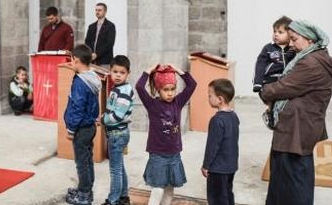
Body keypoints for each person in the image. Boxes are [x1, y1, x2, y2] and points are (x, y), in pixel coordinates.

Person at [259, 20, 332, 205]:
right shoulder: (313, 57)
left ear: (310, 40)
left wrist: (264, 91)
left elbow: (283, 87)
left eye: (295, 39)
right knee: (286, 177)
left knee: (294, 180)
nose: (291, 44)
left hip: (297, 127)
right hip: (299, 125)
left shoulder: (311, 63)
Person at [135, 63, 197, 205]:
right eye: (165, 90)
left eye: (172, 89)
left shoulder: (178, 102)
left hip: (174, 155)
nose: (170, 93)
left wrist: (177, 70)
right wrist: (148, 71)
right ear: (158, 89)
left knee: (170, 190)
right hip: (158, 155)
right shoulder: (152, 105)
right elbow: (139, 87)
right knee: (158, 189)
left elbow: (192, 85)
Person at [63, 45, 102, 205]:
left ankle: (84, 195)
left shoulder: (80, 83)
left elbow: (77, 108)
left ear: (77, 60)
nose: (70, 62)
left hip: (80, 128)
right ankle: (85, 188)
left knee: (81, 163)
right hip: (90, 126)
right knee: (87, 160)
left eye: (72, 59)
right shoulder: (91, 76)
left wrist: (71, 129)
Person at [100, 55, 135, 205]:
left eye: (122, 72)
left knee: (115, 170)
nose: (118, 75)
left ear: (128, 73)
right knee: (119, 166)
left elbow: (117, 115)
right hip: (117, 133)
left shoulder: (124, 91)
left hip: (117, 134)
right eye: (115, 72)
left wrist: (102, 119)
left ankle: (113, 200)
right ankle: (123, 197)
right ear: (110, 71)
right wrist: (105, 116)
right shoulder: (118, 88)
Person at [202, 79, 239, 205]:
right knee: (227, 194)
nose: (208, 98)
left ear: (220, 99)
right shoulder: (234, 117)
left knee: (217, 199)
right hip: (231, 167)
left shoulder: (216, 120)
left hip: (218, 169)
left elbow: (212, 146)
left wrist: (206, 165)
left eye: (210, 95)